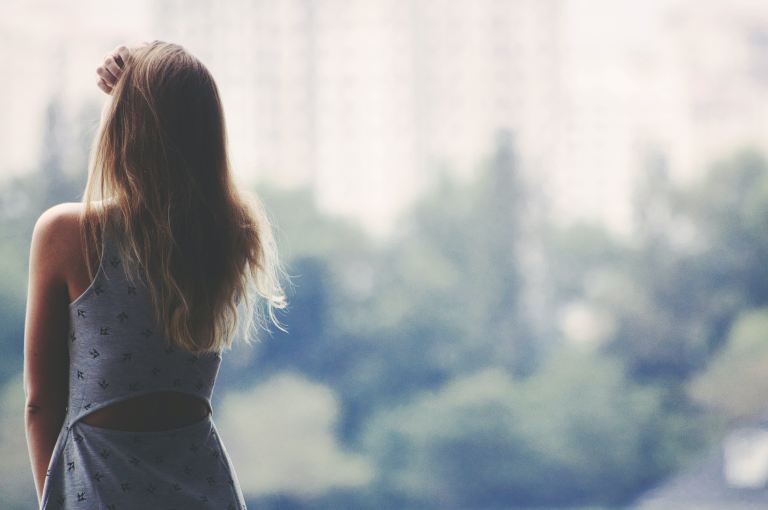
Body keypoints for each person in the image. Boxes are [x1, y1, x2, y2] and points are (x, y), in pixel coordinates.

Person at [23, 40, 290, 509]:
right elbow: (176, 141)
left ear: (122, 131)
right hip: (202, 483)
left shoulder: (68, 234)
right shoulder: (232, 230)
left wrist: (57, 497)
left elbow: (40, 402)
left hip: (99, 483)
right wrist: (143, 84)